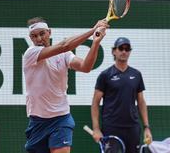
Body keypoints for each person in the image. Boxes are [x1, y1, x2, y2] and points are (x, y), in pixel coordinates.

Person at [23, 16, 109, 153]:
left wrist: (96, 43)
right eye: (34, 36)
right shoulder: (30, 54)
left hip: (60, 119)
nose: (38, 39)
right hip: (37, 121)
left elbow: (85, 67)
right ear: (30, 38)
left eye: (42, 34)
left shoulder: (64, 56)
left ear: (49, 32)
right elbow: (64, 45)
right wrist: (92, 30)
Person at [91, 37, 152, 153]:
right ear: (114, 51)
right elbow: (95, 103)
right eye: (121, 48)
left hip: (132, 128)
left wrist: (146, 128)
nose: (124, 51)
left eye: (127, 49)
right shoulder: (105, 75)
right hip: (111, 127)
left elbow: (141, 102)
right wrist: (96, 128)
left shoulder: (136, 75)